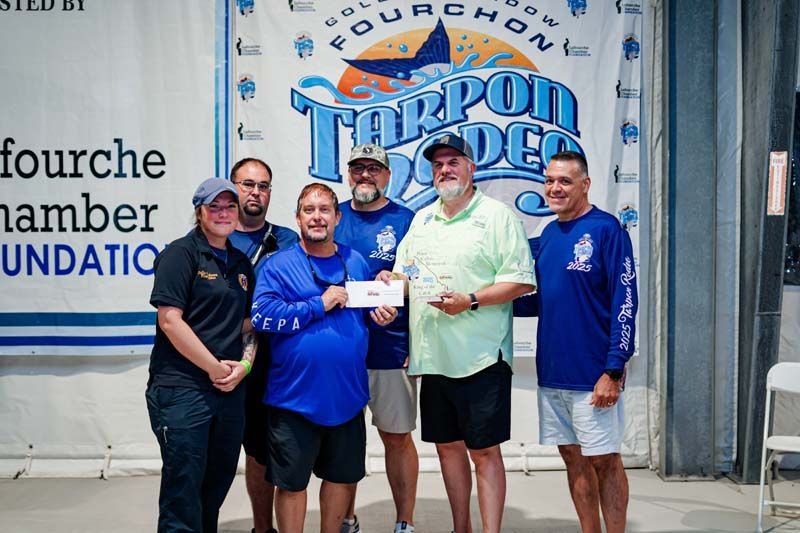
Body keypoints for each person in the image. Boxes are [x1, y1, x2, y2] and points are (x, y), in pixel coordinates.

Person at [380, 134, 535, 533]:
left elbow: (520, 282)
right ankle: (460, 527)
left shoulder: (497, 216)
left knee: (483, 452)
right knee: (448, 449)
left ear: (471, 167)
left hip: (480, 357)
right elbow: (408, 276)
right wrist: (389, 282)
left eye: (453, 162)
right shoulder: (423, 219)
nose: (444, 170)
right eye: (437, 165)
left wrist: (471, 299)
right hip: (434, 358)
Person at [251, 183, 398, 533]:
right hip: (293, 398)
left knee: (340, 479)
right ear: (298, 217)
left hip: (347, 396)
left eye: (324, 210)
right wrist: (318, 304)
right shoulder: (277, 265)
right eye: (309, 210)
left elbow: (365, 314)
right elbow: (262, 317)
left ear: (337, 217)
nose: (317, 217)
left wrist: (382, 316)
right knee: (292, 484)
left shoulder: (356, 261)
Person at [535, 150, 638, 533]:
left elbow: (625, 301)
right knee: (572, 457)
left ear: (585, 184)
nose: (555, 188)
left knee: (604, 460)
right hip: (553, 373)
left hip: (594, 374)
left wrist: (614, 367)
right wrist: (479, 301)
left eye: (564, 181)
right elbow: (537, 298)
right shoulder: (548, 234)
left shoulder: (607, 229)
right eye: (550, 181)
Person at [145, 178, 256, 532]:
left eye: (229, 206)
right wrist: (213, 368)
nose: (223, 213)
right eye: (215, 206)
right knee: (184, 489)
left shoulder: (240, 263)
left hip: (228, 390)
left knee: (216, 484)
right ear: (200, 212)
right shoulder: (180, 254)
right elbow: (170, 321)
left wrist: (244, 365)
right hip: (182, 389)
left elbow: (247, 326)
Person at [336, 144, 418, 533]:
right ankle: (346, 518)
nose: (365, 175)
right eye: (358, 169)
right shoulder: (331, 217)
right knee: (344, 440)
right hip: (341, 348)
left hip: (391, 348)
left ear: (388, 175)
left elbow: (419, 282)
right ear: (348, 174)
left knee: (397, 437)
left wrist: (398, 291)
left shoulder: (407, 220)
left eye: (374, 169)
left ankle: (404, 522)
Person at [228, 158, 299, 533]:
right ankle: (261, 526)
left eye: (264, 186)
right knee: (245, 451)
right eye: (248, 184)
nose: (256, 192)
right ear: (233, 187)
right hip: (228, 360)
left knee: (278, 450)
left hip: (282, 360)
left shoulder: (288, 239)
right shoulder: (216, 236)